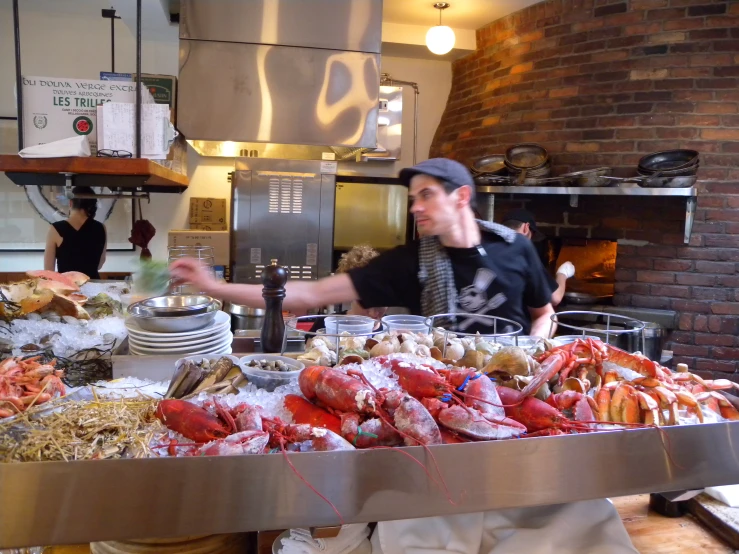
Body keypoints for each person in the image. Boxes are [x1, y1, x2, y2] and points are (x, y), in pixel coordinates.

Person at [171, 158, 555, 338]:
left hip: (518, 387)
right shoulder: (409, 263)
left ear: (461, 197)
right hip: (445, 393)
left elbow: (544, 313)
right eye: (412, 197)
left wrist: (533, 353)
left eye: (427, 195)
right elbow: (311, 293)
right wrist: (215, 288)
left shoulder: (515, 247)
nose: (415, 206)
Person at [501, 209, 575, 307]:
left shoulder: (491, 250)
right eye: (532, 234)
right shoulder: (523, 256)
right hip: (518, 319)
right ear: (526, 228)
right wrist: (562, 273)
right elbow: (555, 298)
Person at [44, 186, 107, 280]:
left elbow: (48, 270)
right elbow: (100, 263)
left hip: (67, 288)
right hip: (94, 285)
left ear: (70, 203)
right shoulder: (101, 227)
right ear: (90, 205)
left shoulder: (55, 229)